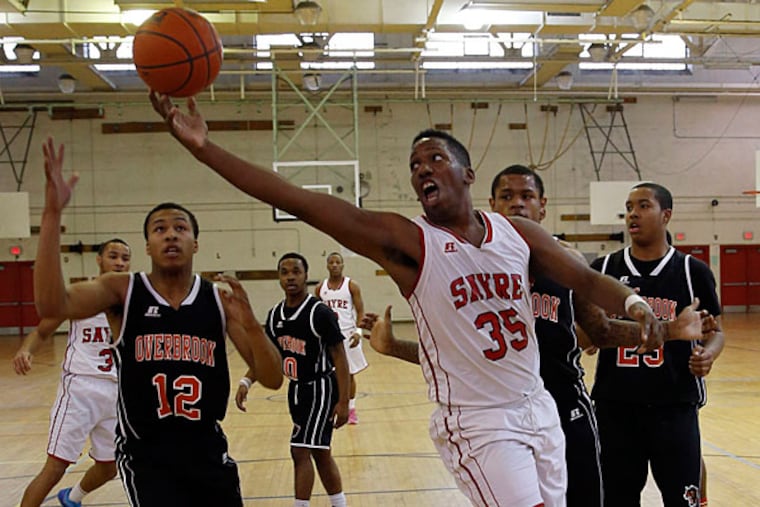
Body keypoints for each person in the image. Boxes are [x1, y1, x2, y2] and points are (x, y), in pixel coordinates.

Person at [150, 92, 681, 506]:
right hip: (476, 420)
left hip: (536, 408)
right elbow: (300, 201)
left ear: (467, 175)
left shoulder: (516, 232)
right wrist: (205, 148)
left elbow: (584, 279)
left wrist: (633, 302)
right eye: (414, 165)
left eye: (434, 159)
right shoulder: (410, 242)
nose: (421, 169)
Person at [362, 165, 705, 507]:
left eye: (527, 196)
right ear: (491, 206)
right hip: (500, 421)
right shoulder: (462, 268)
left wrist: (670, 330)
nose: (518, 205)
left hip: (566, 407)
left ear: (543, 205)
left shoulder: (569, 263)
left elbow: (599, 331)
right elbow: (451, 358)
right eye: (507, 197)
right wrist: (393, 347)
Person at [33, 137, 284, 507]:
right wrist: (52, 216)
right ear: (148, 246)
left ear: (195, 243)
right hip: (146, 455)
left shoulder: (219, 299)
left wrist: (252, 326)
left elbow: (273, 378)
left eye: (180, 228)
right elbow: (51, 303)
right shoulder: (122, 290)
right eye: (159, 228)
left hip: (208, 450)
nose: (170, 234)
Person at [589, 182, 724, 507]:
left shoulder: (693, 272)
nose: (633, 213)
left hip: (674, 406)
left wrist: (709, 353)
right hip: (615, 408)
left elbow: (717, 330)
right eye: (629, 207)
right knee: (617, 500)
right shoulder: (603, 270)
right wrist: (593, 334)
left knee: (682, 500)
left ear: (666, 215)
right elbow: (585, 333)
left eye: (643, 206)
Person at [13, 239, 131, 507]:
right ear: (99, 260)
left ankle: (73, 498)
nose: (120, 262)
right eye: (113, 256)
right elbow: (42, 330)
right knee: (55, 467)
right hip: (81, 388)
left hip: (117, 393)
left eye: (125, 258)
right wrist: (26, 350)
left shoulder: (131, 301)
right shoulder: (82, 296)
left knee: (109, 466)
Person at [236, 253, 349, 507]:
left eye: (296, 271)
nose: (290, 277)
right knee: (320, 452)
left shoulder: (319, 312)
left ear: (306, 276)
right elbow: (267, 356)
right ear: (279, 277)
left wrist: (344, 401)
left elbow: (340, 358)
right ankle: (340, 504)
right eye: (284, 272)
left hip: (320, 387)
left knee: (299, 450)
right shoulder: (275, 315)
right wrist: (246, 381)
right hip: (297, 390)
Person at [314, 251, 368, 424]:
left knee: (349, 374)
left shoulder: (351, 285)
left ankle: (351, 409)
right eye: (331, 262)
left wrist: (358, 332)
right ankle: (331, 405)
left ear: (343, 265)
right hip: (328, 337)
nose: (335, 265)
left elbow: (360, 311)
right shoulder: (320, 288)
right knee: (329, 374)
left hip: (347, 334)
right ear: (327, 265)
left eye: (338, 262)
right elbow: (315, 313)